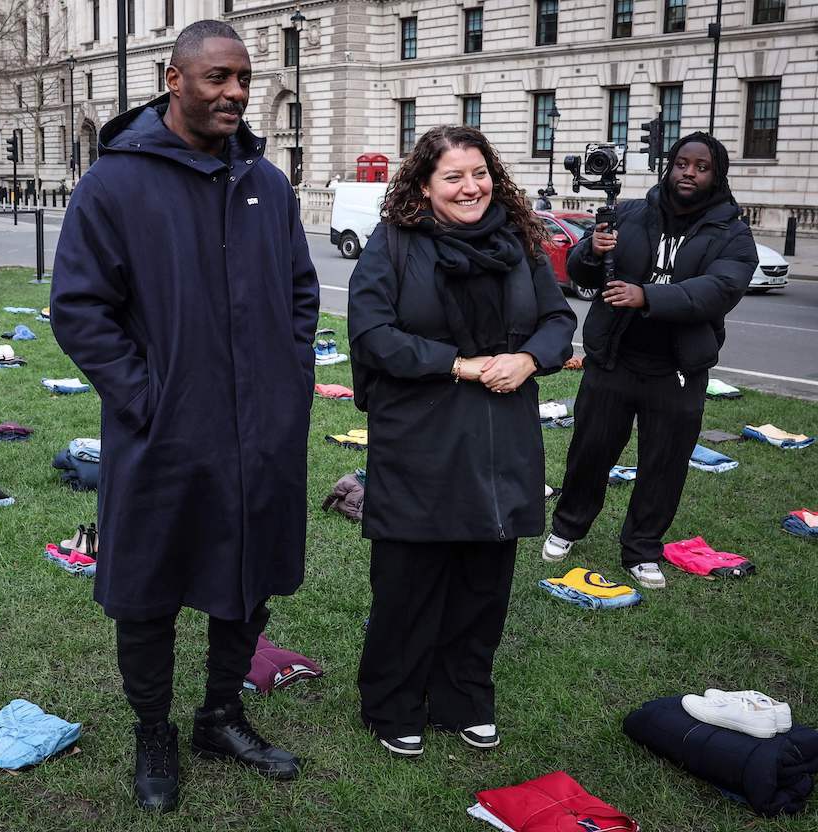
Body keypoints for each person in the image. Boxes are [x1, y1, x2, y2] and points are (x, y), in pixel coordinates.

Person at [50, 19, 318, 814]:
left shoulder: (266, 183)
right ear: (175, 79)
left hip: (260, 431)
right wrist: (147, 399)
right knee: (149, 587)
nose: (236, 91)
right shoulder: (115, 183)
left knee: (248, 577)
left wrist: (287, 380)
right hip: (162, 435)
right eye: (218, 78)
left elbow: (300, 292)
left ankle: (220, 716)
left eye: (243, 77)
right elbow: (79, 310)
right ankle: (153, 731)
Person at [348, 125, 575, 758]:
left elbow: (559, 320)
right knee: (411, 580)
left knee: (483, 580)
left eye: (478, 173)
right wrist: (459, 364)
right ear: (424, 185)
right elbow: (371, 333)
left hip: (502, 437)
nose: (470, 186)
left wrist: (529, 359)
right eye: (453, 176)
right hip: (421, 433)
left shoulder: (519, 240)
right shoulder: (395, 243)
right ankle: (393, 701)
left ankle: (463, 696)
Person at [544, 132, 757, 589]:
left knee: (664, 464)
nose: (689, 173)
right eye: (682, 163)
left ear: (716, 175)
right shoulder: (631, 213)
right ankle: (567, 526)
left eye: (701, 167)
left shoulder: (732, 232)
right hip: (615, 359)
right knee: (590, 450)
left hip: (678, 369)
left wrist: (647, 297)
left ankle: (642, 549)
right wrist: (590, 250)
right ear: (670, 166)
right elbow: (582, 274)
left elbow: (721, 289)